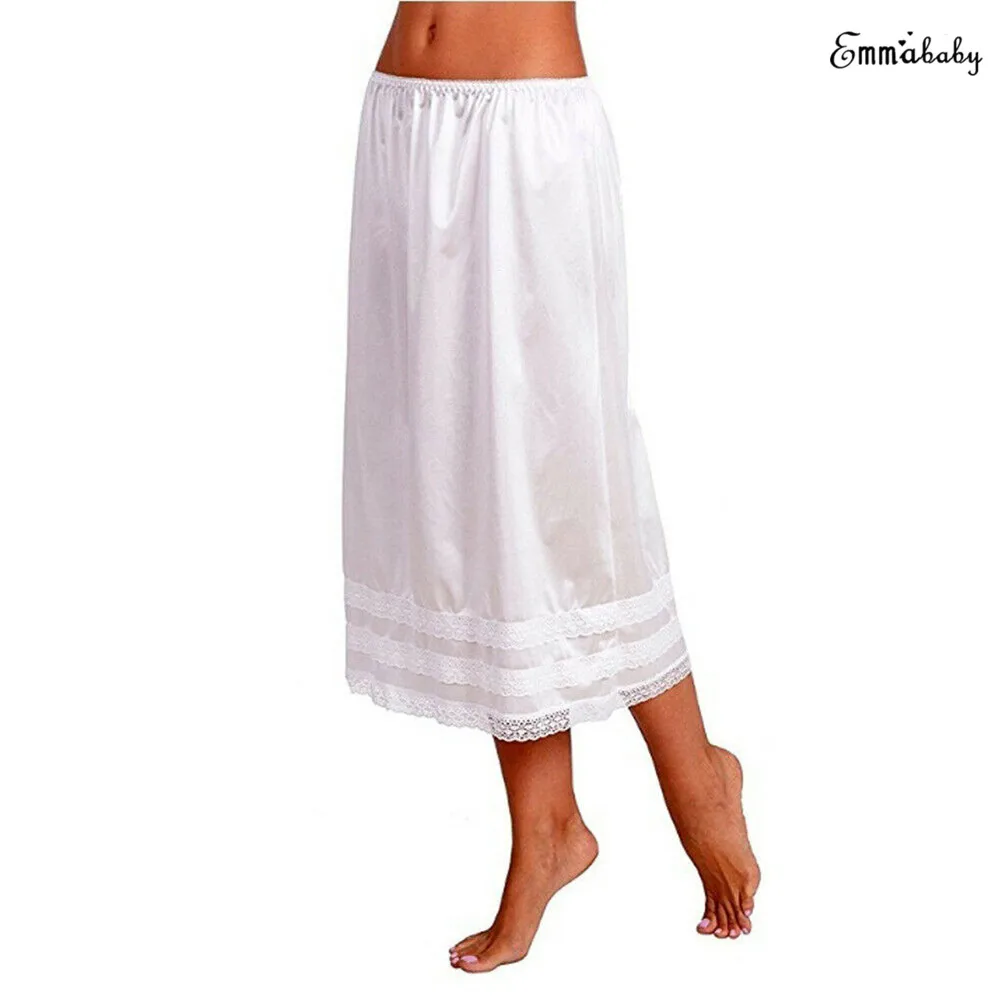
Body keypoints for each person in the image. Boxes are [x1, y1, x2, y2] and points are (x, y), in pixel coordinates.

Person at [343, 3, 759, 973]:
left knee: (568, 488)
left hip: (524, 138)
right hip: (405, 123)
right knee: (473, 500)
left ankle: (695, 772)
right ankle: (547, 825)